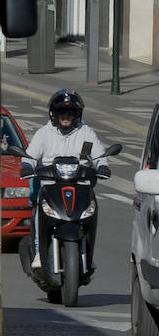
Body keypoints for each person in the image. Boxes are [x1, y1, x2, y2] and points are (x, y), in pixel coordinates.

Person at [22, 89, 110, 269]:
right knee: (40, 210)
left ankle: (87, 253)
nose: (66, 116)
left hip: (80, 185)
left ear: (77, 115)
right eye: (61, 112)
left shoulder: (86, 132)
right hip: (50, 185)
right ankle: (39, 252)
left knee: (90, 212)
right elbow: (30, 156)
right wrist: (27, 166)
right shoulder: (43, 133)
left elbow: (99, 154)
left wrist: (102, 165)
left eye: (70, 113)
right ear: (54, 114)